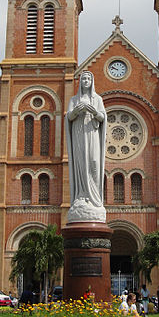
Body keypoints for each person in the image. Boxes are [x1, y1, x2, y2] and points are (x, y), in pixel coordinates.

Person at [65, 71, 107, 222]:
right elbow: (69, 116)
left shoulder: (97, 99)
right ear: (80, 82)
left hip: (92, 134)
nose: (86, 81)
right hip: (79, 134)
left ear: (92, 81)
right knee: (81, 164)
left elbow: (102, 117)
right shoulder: (74, 99)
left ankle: (94, 198)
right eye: (83, 78)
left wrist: (94, 111)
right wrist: (76, 111)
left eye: (89, 78)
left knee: (94, 163)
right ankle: (82, 196)